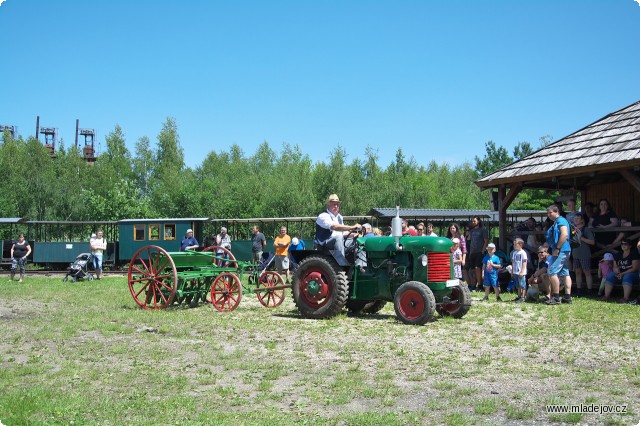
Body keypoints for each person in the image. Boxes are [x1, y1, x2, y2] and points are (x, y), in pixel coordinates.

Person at [315, 194, 362, 265]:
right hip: (325, 245)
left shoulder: (339, 217)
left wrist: (355, 235)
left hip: (339, 242)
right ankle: (342, 266)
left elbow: (344, 233)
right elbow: (334, 227)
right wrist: (352, 227)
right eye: (334, 204)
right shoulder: (323, 216)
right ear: (328, 205)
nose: (336, 206)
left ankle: (360, 266)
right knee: (338, 238)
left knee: (358, 241)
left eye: (337, 204)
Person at [544, 204, 573, 305]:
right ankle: (567, 297)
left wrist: (557, 248)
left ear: (556, 211)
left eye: (550, 213)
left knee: (552, 271)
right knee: (565, 272)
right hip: (564, 250)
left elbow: (564, 234)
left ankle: (556, 297)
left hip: (561, 250)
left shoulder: (561, 220)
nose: (549, 215)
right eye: (548, 213)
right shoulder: (557, 221)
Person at [600, 238, 640, 303]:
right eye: (622, 244)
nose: (623, 245)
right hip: (621, 274)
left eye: (625, 244)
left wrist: (622, 273)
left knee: (627, 276)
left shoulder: (634, 254)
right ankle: (606, 296)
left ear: (630, 246)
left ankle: (625, 298)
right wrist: (617, 272)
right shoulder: (618, 254)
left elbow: (634, 268)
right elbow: (615, 266)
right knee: (611, 275)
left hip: (633, 274)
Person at [571, 213, 595, 296]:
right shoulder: (573, 230)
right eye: (575, 218)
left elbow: (592, 242)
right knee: (577, 272)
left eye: (578, 218)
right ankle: (579, 290)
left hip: (585, 254)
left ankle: (590, 291)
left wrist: (581, 238)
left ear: (582, 220)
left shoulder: (586, 229)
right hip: (575, 254)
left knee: (587, 272)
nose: (576, 219)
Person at [468, 216, 489, 291]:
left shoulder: (483, 230)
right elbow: (471, 242)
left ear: (478, 221)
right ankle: (474, 284)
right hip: (473, 252)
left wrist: (483, 251)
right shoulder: (472, 231)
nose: (473, 222)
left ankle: (480, 285)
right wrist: (470, 252)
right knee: (473, 269)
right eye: (472, 221)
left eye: (474, 221)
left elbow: (486, 241)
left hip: (480, 252)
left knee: (478, 268)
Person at [511, 238, 528, 303]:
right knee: (518, 285)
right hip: (515, 271)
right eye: (514, 244)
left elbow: (524, 262)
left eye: (515, 244)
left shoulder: (523, 253)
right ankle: (519, 296)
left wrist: (522, 271)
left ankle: (523, 297)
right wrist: (512, 271)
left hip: (521, 272)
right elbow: (513, 262)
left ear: (520, 244)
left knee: (522, 284)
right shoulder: (514, 253)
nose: (514, 246)